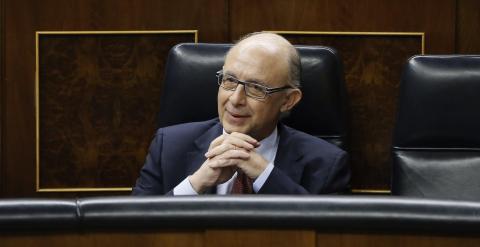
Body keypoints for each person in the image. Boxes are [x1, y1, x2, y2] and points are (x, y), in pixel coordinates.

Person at [132, 32, 350, 195]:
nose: (235, 99)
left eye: (256, 88)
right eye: (229, 80)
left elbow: (327, 236)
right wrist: (195, 184)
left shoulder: (327, 164)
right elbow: (132, 230)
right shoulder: (169, 146)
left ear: (288, 100)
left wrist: (266, 176)